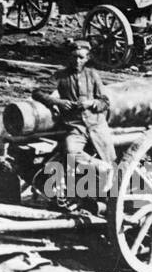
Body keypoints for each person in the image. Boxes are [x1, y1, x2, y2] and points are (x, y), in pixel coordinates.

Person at [35, 39, 116, 203]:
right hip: (75, 127)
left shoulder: (92, 75)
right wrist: (59, 102)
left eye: (81, 57)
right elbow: (38, 93)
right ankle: (96, 170)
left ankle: (108, 195)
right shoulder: (60, 76)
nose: (77, 61)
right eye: (74, 57)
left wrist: (93, 103)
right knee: (71, 152)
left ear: (87, 59)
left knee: (111, 157)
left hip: (97, 125)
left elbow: (105, 102)